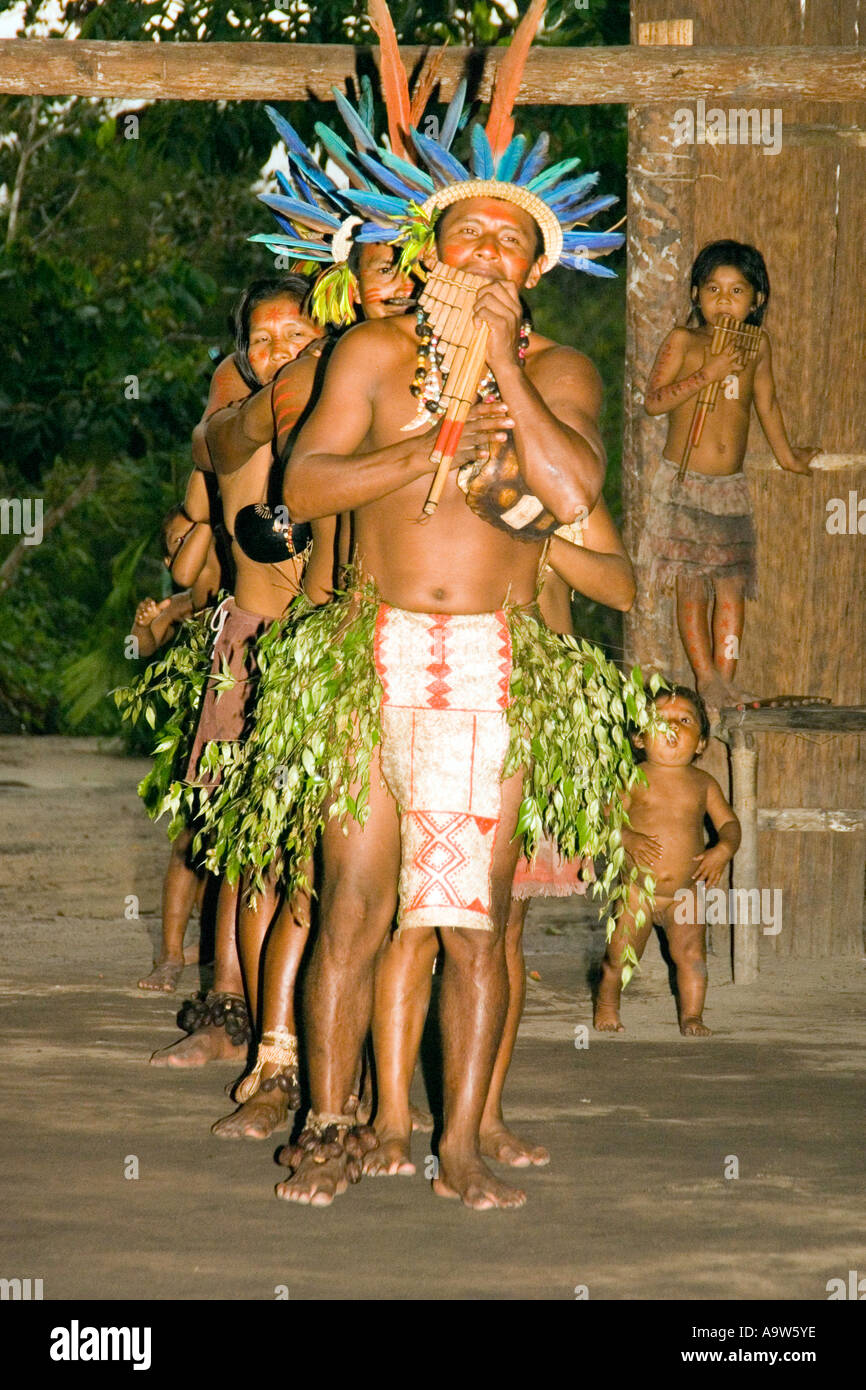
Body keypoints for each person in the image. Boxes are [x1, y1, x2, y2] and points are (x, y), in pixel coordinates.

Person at [365, 497, 635, 1175]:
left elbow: (621, 587)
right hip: (435, 697)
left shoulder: (555, 483)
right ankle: (391, 1118)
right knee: (412, 921)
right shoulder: (431, 466)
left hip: (531, 712)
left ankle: (482, 1115)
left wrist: (538, 531)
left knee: (501, 927)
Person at [148, 274, 329, 1068]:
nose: (281, 351)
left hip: (327, 650)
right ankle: (228, 1010)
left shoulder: (345, 409)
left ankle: (300, 1027)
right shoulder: (231, 422)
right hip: (248, 645)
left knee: (316, 850)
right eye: (264, 340)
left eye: (298, 335)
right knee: (239, 839)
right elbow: (213, 455)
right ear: (244, 355)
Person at [639, 240, 820, 715]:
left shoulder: (757, 345)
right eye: (714, 288)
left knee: (733, 588)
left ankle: (728, 678)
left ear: (756, 300)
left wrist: (787, 457)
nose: (724, 299)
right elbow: (654, 401)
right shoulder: (684, 340)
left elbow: (768, 404)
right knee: (693, 584)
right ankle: (705, 677)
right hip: (685, 482)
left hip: (730, 487)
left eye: (737, 290)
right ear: (696, 294)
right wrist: (709, 372)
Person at [593, 686, 740, 1037]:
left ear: (701, 742)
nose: (671, 726)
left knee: (692, 958)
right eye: (659, 720)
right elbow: (604, 823)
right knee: (620, 958)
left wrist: (723, 849)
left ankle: (692, 1016)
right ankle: (607, 1004)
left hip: (686, 895)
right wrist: (626, 837)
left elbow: (730, 825)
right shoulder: (631, 778)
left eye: (684, 720)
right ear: (640, 738)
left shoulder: (704, 783)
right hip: (636, 892)